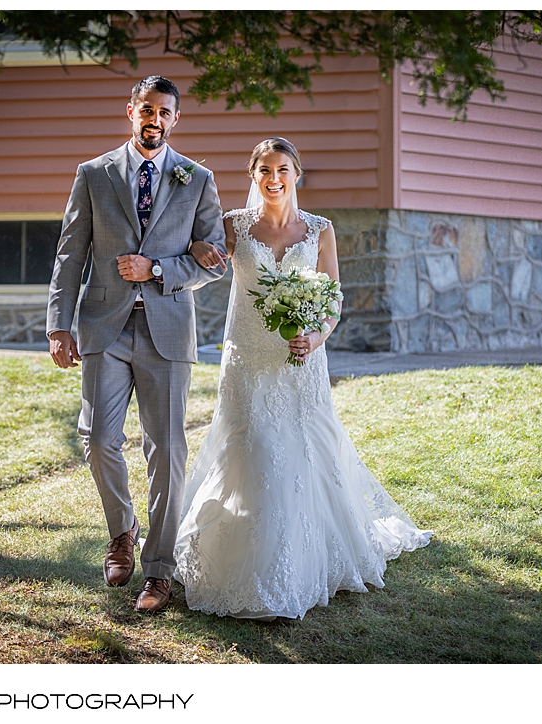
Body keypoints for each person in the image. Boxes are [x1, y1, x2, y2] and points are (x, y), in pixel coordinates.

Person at [173, 137, 431, 620]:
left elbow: (332, 297)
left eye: (283, 169)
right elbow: (202, 261)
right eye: (265, 169)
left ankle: (305, 557)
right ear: (253, 175)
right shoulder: (234, 226)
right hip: (248, 357)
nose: (274, 178)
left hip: (301, 359)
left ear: (297, 174)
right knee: (253, 449)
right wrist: (193, 247)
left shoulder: (320, 230)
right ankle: (239, 557)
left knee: (305, 450)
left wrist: (316, 337)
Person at [46, 76, 226, 614]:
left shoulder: (197, 179)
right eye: (146, 109)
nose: (155, 118)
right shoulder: (93, 174)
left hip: (167, 328)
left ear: (176, 120)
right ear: (130, 111)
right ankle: (121, 531)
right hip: (104, 324)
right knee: (99, 436)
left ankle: (159, 569)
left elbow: (213, 259)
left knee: (167, 449)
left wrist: (160, 269)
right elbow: (69, 254)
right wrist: (59, 325)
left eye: (165, 112)